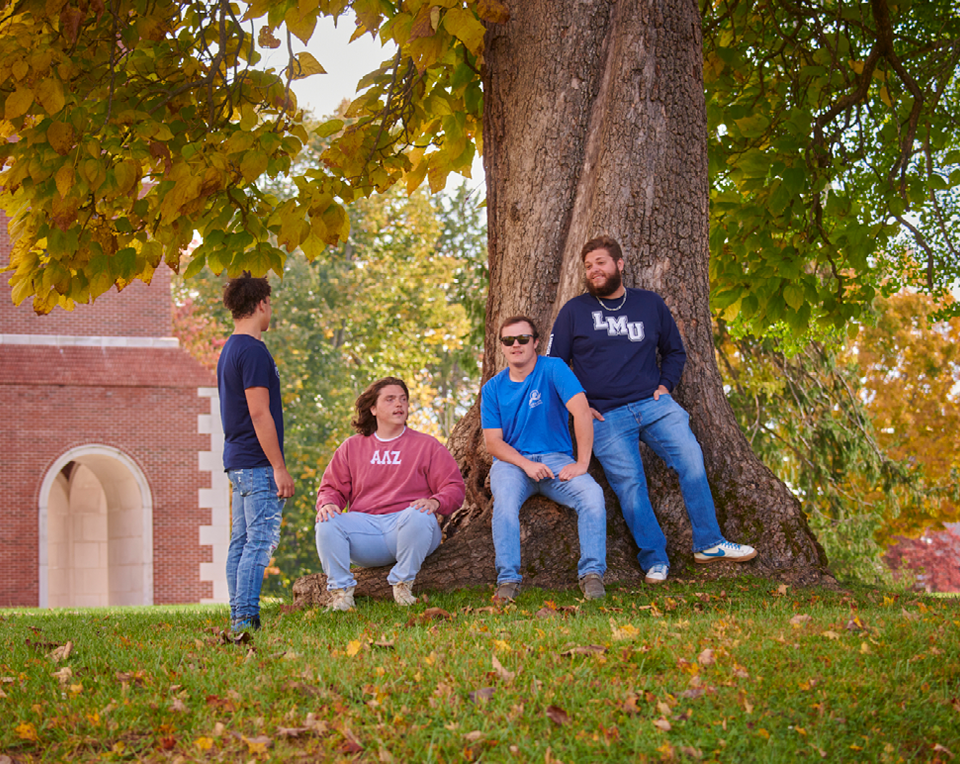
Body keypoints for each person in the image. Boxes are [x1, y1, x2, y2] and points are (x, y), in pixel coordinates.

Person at [548, 235, 756, 585]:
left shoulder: (649, 304)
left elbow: (674, 351)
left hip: (654, 404)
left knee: (691, 459)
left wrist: (665, 386)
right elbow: (553, 368)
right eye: (588, 265)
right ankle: (655, 559)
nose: (594, 270)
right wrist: (580, 408)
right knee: (630, 487)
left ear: (619, 264)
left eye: (601, 262)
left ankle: (709, 542)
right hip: (605, 416)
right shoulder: (574, 311)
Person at [481, 315, 608, 601]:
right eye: (508, 340)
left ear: (536, 342)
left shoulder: (554, 369)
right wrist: (526, 464)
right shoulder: (492, 388)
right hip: (513, 464)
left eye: (522, 339)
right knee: (504, 505)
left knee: (592, 495)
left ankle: (592, 574)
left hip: (556, 460)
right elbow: (493, 443)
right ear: (501, 346)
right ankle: (508, 579)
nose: (516, 345)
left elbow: (581, 411)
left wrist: (582, 463)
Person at [315, 377, 465, 610]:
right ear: (373, 408)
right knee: (326, 521)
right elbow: (331, 488)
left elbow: (454, 487)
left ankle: (403, 585)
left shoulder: (427, 445)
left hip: (410, 527)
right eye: (390, 399)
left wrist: (435, 502)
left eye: (403, 399)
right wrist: (327, 503)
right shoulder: (351, 447)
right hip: (365, 531)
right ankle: (341, 594)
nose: (399, 404)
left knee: (420, 513)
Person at [217, 273, 295, 632]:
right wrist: (278, 466)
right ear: (261, 304)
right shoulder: (253, 351)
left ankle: (238, 615)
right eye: (270, 303)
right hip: (257, 462)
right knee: (259, 542)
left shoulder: (230, 349)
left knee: (241, 542)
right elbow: (259, 413)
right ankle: (245, 618)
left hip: (237, 461)